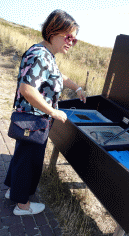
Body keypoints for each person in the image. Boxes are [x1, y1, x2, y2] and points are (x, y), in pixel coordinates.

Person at [4, 9, 86, 215]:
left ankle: (13, 191)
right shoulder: (40, 55)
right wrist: (54, 112)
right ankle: (22, 205)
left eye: (74, 40)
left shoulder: (46, 54)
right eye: (68, 37)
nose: (71, 42)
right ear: (53, 31)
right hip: (34, 121)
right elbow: (27, 89)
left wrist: (77, 88)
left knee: (22, 157)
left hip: (32, 120)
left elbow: (59, 76)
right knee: (28, 162)